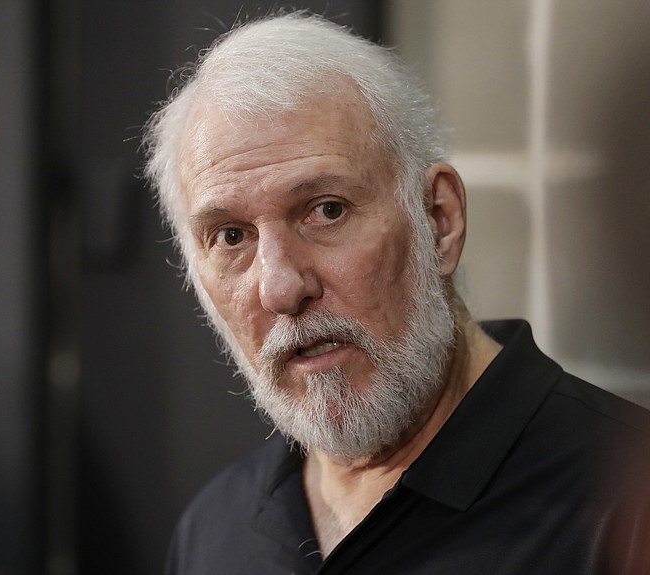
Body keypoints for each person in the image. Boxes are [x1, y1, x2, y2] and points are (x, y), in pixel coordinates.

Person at [141, 10, 650, 575]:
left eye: (326, 211)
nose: (281, 287)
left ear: (438, 220)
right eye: (232, 236)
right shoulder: (215, 529)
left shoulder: (625, 505)